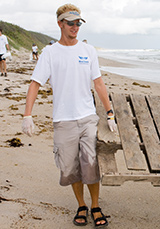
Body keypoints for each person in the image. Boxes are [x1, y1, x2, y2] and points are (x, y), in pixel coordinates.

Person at [22, 3, 116, 227]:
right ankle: (81, 205)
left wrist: (109, 112)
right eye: (70, 23)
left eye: (78, 23)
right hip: (63, 120)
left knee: (90, 164)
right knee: (72, 168)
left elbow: (99, 83)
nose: (75, 27)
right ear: (60, 24)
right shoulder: (50, 53)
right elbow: (35, 84)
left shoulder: (88, 51)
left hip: (87, 117)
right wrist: (28, 115)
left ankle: (95, 206)